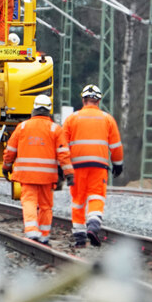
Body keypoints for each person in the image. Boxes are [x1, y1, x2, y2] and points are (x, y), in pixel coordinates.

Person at [2, 93, 73, 245]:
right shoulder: (55, 129)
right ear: (49, 110)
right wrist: (69, 174)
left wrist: (6, 166)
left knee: (29, 201)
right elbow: (63, 154)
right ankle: (44, 234)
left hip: (27, 175)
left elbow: (10, 150)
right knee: (46, 206)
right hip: (47, 178)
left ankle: (32, 230)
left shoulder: (22, 127)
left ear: (34, 108)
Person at [61, 84, 124, 248]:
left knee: (78, 200)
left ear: (83, 100)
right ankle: (94, 224)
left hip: (76, 167)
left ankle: (80, 236)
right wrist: (117, 164)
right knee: (96, 196)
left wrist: (64, 167)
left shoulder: (72, 119)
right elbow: (116, 146)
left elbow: (62, 146)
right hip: (99, 165)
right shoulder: (107, 118)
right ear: (99, 100)